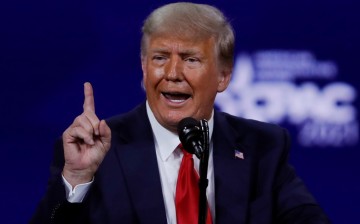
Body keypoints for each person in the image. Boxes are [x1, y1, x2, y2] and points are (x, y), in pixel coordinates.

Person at [31, 2, 330, 224]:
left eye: (191, 59)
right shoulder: (95, 152)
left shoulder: (262, 147)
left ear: (224, 76)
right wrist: (78, 179)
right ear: (144, 68)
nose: (172, 73)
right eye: (160, 58)